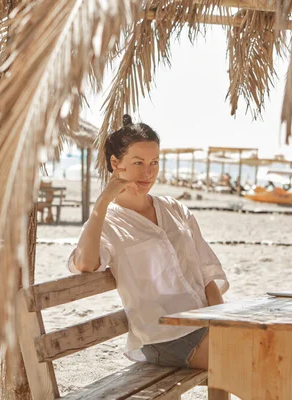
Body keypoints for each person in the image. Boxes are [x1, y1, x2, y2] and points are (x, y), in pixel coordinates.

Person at [67, 115, 229, 370]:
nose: (148, 172)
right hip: (166, 338)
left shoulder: (175, 209)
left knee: (272, 354)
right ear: (115, 163)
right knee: (252, 364)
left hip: (205, 322)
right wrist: (101, 203)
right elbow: (85, 264)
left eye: (154, 162)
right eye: (138, 162)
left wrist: (223, 321)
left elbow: (207, 274)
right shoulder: (108, 223)